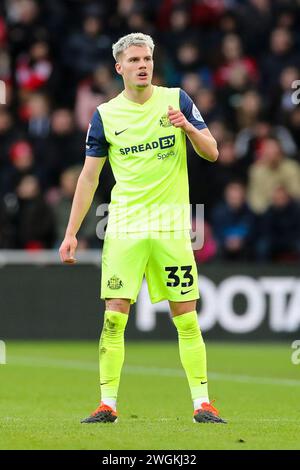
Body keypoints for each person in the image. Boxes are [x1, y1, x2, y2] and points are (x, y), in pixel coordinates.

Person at [59, 33, 226, 425]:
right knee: (114, 316)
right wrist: (71, 233)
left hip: (170, 230)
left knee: (186, 316)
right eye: (134, 60)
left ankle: (203, 403)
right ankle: (108, 405)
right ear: (120, 68)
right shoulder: (105, 115)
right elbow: (88, 179)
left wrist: (187, 127)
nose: (143, 65)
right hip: (125, 228)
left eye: (147, 58)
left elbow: (213, 151)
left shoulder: (177, 100)